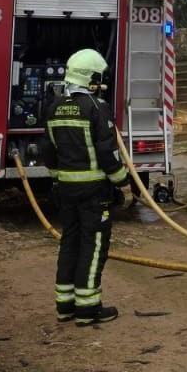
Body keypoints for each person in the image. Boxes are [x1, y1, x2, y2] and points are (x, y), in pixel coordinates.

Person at [41, 48, 129, 326]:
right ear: (90, 76)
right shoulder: (96, 107)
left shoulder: (53, 107)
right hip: (94, 192)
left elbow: (48, 150)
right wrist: (122, 182)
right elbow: (107, 152)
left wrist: (59, 177)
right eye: (97, 76)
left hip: (66, 191)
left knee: (70, 243)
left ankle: (65, 306)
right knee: (93, 247)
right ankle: (88, 308)